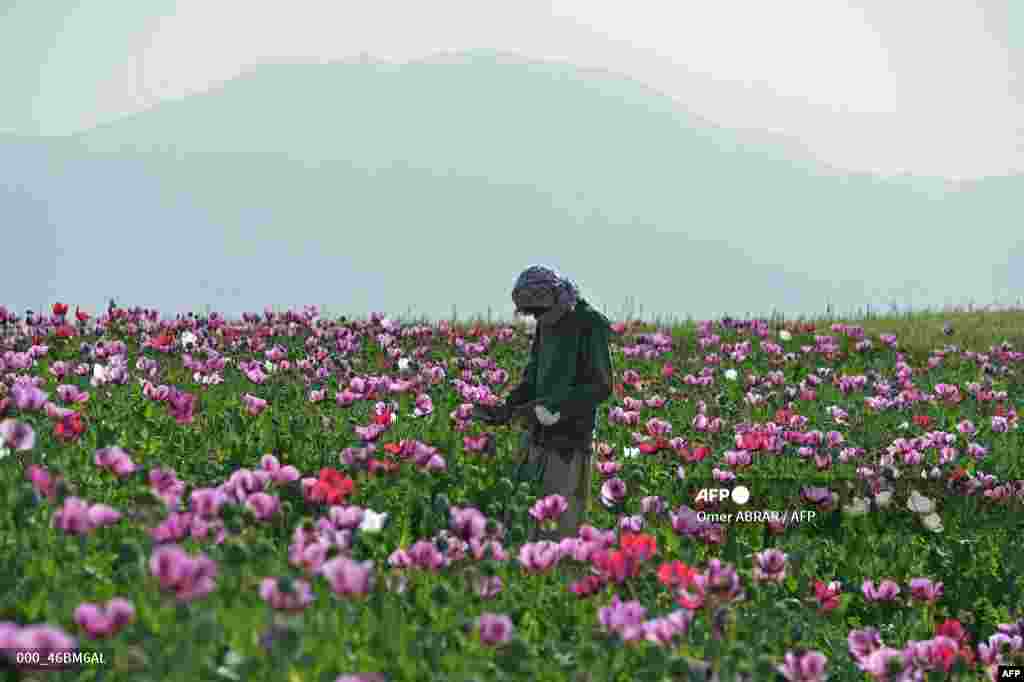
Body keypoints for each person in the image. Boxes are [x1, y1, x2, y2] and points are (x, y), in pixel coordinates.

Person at [476, 265, 614, 540]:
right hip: (536, 440)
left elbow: (601, 386)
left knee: (558, 530)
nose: (536, 318)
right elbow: (532, 376)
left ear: (552, 298)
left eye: (537, 311)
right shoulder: (546, 324)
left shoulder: (589, 322)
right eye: (531, 314)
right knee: (523, 523)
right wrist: (508, 407)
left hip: (569, 442)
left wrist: (549, 406)